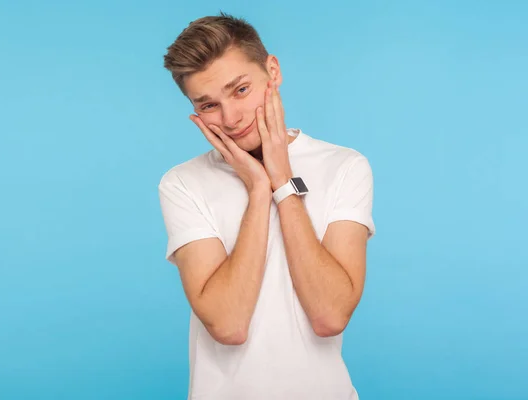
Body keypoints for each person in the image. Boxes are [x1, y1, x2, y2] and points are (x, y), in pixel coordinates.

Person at [158, 12, 375, 400]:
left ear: (272, 71)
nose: (231, 118)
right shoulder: (183, 183)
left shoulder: (345, 166)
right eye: (208, 105)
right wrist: (259, 191)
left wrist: (281, 180)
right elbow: (229, 325)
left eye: (240, 90)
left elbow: (330, 315)